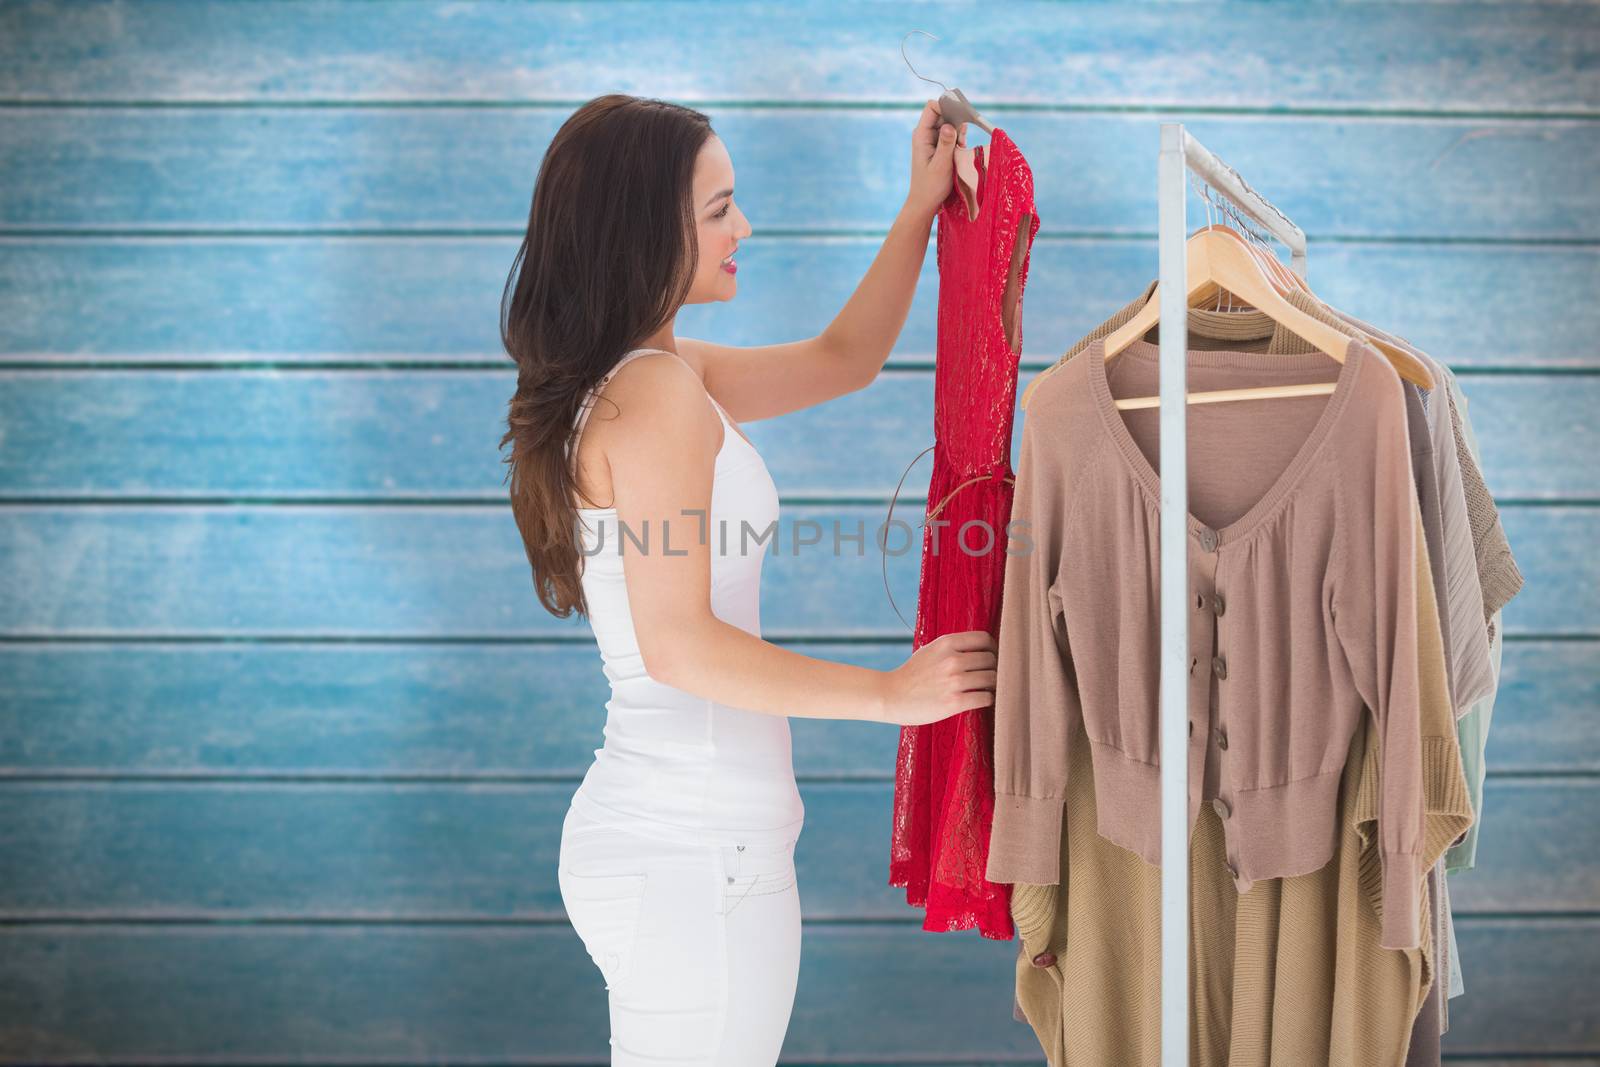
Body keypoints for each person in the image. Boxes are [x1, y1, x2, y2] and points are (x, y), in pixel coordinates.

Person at [498, 93, 994, 1066]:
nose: (745, 227)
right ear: (646, 230)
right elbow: (676, 644)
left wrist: (917, 208)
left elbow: (842, 360)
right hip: (692, 852)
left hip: (683, 844)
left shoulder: (652, 371)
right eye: (719, 207)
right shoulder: (653, 393)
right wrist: (891, 696)